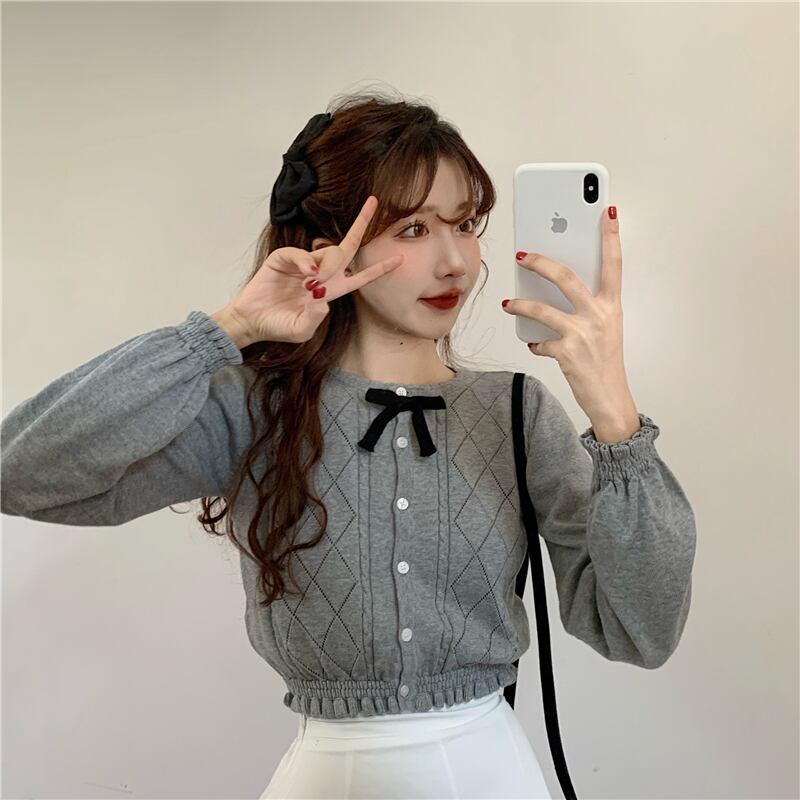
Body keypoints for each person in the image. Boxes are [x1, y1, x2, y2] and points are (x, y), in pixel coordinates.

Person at [1, 88, 696, 800]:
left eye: (465, 224)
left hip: (490, 774)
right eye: (413, 229)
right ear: (331, 241)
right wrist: (227, 330)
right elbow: (20, 473)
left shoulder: (516, 412)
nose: (455, 263)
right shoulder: (256, 409)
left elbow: (639, 632)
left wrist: (615, 414)